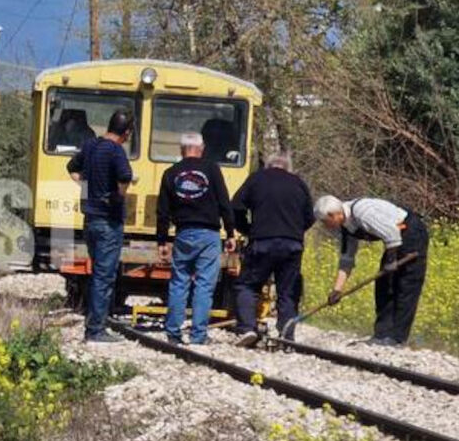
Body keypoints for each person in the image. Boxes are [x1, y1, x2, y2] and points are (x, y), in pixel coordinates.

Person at [314, 195, 430, 346]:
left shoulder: (362, 212)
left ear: (334, 215)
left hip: (410, 232)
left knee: (405, 286)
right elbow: (347, 259)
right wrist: (337, 290)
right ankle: (381, 335)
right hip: (395, 242)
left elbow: (392, 234)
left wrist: (391, 261)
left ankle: (397, 338)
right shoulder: (347, 227)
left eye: (325, 221)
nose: (325, 226)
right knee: (384, 286)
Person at [157, 132, 235, 345]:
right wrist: (230, 233)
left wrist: (162, 241)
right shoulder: (212, 169)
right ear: (201, 149)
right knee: (204, 284)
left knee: (179, 282)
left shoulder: (170, 173)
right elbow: (224, 202)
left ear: (181, 150)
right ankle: (198, 335)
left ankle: (173, 332)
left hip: (183, 233)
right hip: (209, 234)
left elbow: (162, 211)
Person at [231, 152, 315, 346]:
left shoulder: (256, 179)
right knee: (288, 291)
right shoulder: (299, 183)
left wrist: (247, 229)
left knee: (247, 286)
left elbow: (236, 206)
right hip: (292, 244)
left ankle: (247, 328)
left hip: (262, 241)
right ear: (288, 167)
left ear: (267, 166)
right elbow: (310, 216)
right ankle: (287, 335)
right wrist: (294, 231)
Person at [66, 109, 134, 343]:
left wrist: (86, 188)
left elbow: (72, 168)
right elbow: (125, 177)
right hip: (108, 221)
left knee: (97, 273)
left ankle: (93, 322)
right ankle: (95, 329)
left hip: (90, 220)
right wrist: (118, 196)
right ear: (126, 133)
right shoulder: (116, 151)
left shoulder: (90, 146)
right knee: (104, 276)